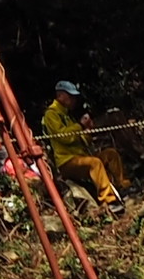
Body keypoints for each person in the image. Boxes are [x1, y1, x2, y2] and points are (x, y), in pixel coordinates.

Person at [41, 79, 122, 207]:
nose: (73, 100)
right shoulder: (51, 114)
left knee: (111, 154)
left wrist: (88, 130)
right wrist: (80, 125)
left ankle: (122, 186)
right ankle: (109, 199)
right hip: (67, 161)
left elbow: (84, 140)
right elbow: (64, 137)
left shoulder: (68, 115)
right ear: (60, 95)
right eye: (70, 96)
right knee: (94, 163)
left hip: (81, 156)